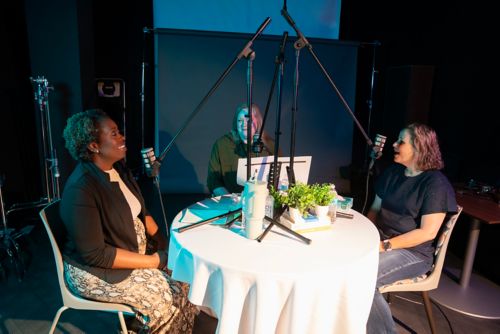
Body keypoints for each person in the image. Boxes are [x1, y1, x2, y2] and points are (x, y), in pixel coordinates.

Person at [60, 109, 197, 333]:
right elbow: (95, 254)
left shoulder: (119, 170)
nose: (122, 137)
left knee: (185, 281)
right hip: (92, 271)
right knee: (165, 298)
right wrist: (156, 260)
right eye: (113, 134)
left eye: (119, 132)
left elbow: (142, 213)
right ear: (93, 146)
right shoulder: (81, 188)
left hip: (130, 252)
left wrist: (165, 246)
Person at [366, 123, 457, 334]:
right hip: (382, 240)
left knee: (364, 277)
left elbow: (427, 232)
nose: (394, 145)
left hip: (412, 252)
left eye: (401, 141)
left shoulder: (435, 184)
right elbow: (374, 209)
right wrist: (367, 236)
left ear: (419, 148)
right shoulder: (393, 172)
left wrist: (384, 245)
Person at [207, 103, 276, 196]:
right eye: (240, 120)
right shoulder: (222, 145)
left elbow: (278, 179)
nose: (244, 124)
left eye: (248, 120)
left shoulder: (270, 146)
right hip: (230, 203)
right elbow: (213, 180)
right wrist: (230, 198)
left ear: (258, 122)